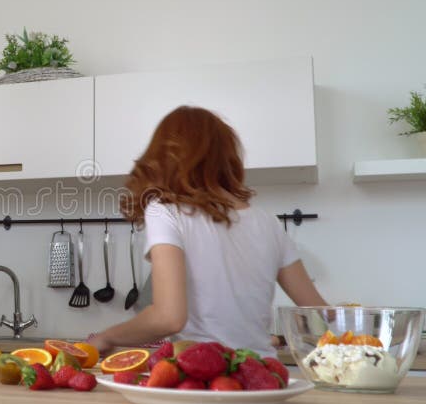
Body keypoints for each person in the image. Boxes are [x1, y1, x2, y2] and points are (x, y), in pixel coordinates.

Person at [88, 106, 328, 358]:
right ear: (228, 158)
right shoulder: (268, 221)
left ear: (162, 156)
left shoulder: (165, 211)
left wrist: (106, 337)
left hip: (205, 375)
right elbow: (319, 313)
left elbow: (168, 319)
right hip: (264, 374)